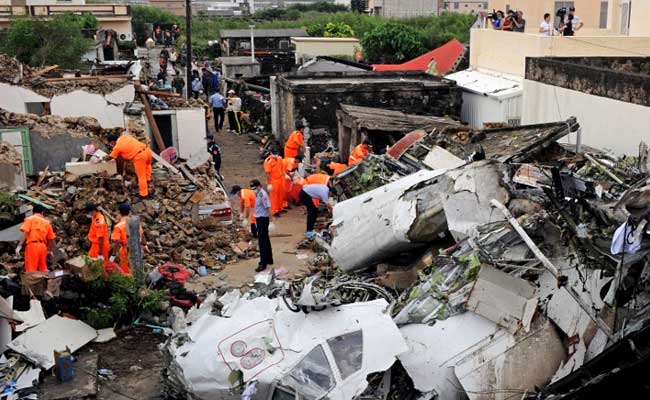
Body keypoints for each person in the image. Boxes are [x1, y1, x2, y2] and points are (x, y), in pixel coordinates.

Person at [104, 133, 153, 198]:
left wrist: (104, 158)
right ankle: (149, 188)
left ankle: (143, 195)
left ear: (113, 141)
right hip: (147, 151)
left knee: (141, 177)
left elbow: (109, 157)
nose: (111, 145)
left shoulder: (117, 147)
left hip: (140, 156)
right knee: (147, 171)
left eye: (110, 143)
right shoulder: (124, 137)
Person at [16, 205, 55, 273]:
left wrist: (19, 246)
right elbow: (51, 239)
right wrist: (49, 251)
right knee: (43, 269)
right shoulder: (47, 223)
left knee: (31, 270)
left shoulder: (30, 219)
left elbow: (25, 233)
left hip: (32, 246)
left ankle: (31, 282)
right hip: (43, 247)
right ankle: (43, 282)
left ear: (33, 212)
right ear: (42, 212)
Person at [110, 203, 147, 275]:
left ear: (119, 212)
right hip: (137, 249)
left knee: (126, 271)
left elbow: (117, 242)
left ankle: (130, 283)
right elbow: (142, 235)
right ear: (129, 212)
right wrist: (145, 245)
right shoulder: (135, 223)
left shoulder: (118, 226)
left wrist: (113, 255)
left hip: (126, 250)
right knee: (137, 268)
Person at [251, 179, 273, 272]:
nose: (253, 190)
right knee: (265, 240)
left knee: (262, 242)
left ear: (258, 186)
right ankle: (269, 259)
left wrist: (271, 221)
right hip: (259, 219)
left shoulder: (262, 194)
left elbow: (268, 207)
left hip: (263, 220)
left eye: (254, 188)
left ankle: (263, 263)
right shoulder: (257, 193)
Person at [263, 149, 286, 216]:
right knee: (274, 197)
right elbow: (267, 173)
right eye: (274, 153)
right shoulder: (268, 161)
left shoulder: (280, 158)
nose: (276, 155)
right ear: (271, 153)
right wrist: (269, 183)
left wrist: (285, 175)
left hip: (280, 179)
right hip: (273, 180)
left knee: (281, 194)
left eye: (277, 153)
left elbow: (282, 168)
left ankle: (280, 208)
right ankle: (274, 211)